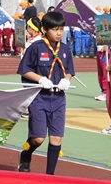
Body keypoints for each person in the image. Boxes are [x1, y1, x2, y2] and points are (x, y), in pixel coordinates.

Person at [16, 11, 73, 174]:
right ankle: (26, 154)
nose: (59, 33)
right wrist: (40, 79)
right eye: (55, 29)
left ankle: (50, 176)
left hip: (58, 98)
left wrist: (66, 80)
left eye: (61, 29)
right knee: (38, 138)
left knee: (56, 138)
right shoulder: (36, 48)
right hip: (39, 98)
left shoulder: (65, 49)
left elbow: (69, 70)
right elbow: (24, 70)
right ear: (45, 29)